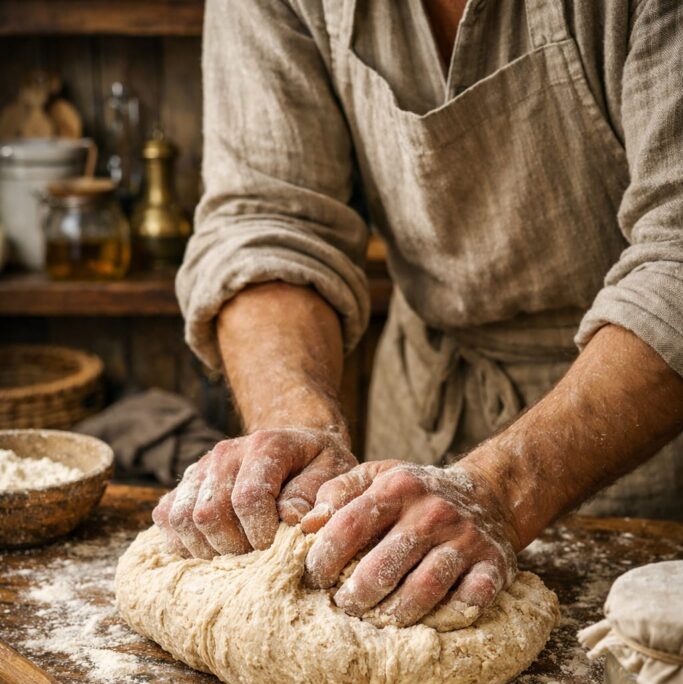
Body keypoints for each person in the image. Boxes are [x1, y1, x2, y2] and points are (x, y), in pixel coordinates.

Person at [154, 0, 683, 627]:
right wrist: (298, 440)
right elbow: (270, 219)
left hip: (641, 432)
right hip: (425, 400)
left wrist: (497, 491)